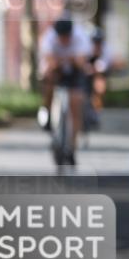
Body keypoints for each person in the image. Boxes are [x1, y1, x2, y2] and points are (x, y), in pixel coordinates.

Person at [37, 14, 92, 165]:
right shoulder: (49, 38)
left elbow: (81, 62)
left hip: (75, 72)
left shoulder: (80, 37)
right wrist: (62, 61)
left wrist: (69, 60)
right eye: (61, 37)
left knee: (76, 104)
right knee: (47, 80)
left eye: (67, 37)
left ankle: (71, 148)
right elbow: (50, 61)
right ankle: (46, 111)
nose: (64, 41)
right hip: (57, 70)